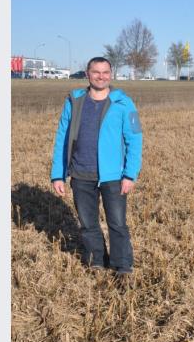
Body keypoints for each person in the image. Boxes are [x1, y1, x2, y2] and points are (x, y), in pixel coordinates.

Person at [50, 57, 143, 277]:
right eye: (96, 72)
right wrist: (58, 175)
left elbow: (135, 139)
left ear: (111, 74)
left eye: (105, 72)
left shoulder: (124, 103)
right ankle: (97, 261)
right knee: (88, 223)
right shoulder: (74, 101)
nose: (101, 76)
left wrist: (130, 174)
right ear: (87, 74)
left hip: (114, 176)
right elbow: (62, 138)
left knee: (117, 223)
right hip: (81, 174)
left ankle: (122, 266)